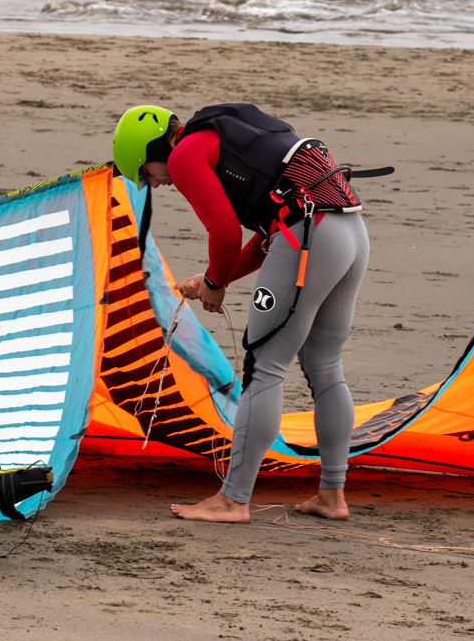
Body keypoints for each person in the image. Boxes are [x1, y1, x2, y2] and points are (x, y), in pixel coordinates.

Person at [110, 103, 370, 524]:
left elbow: (226, 231)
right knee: (325, 364)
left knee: (265, 367)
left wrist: (215, 282)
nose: (155, 183)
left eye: (146, 173)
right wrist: (218, 277)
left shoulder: (185, 153)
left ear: (152, 150)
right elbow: (270, 233)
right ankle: (332, 496)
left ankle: (233, 500)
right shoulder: (232, 138)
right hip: (350, 232)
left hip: (310, 236)